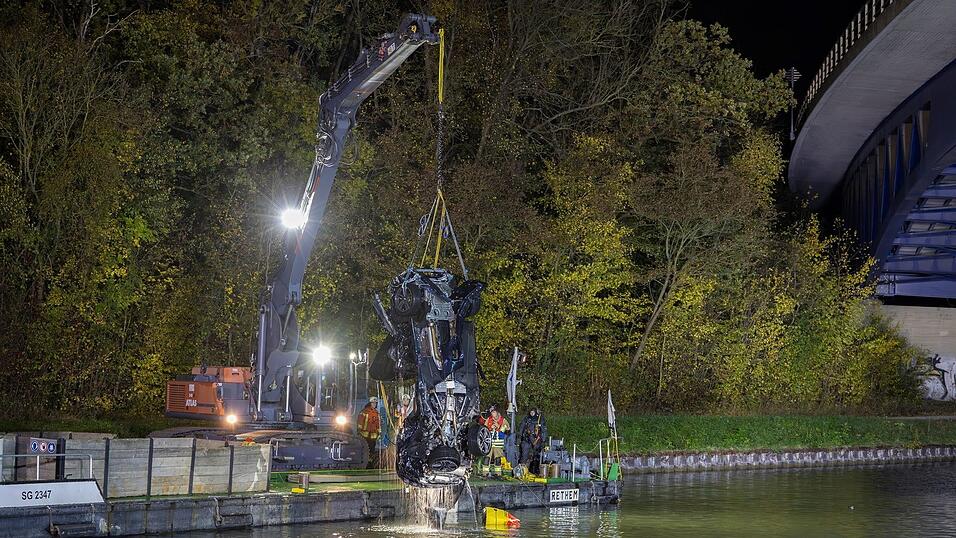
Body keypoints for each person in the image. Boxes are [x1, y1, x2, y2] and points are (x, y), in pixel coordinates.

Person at [518, 407, 548, 475]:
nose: (532, 414)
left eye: (533, 412)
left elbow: (544, 430)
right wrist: (519, 438)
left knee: (536, 457)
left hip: (536, 440)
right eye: (531, 412)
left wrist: (544, 441)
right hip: (526, 440)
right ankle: (520, 472)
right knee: (524, 456)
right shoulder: (526, 419)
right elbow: (521, 428)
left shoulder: (540, 419)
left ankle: (534, 471)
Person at [482, 406, 510, 477]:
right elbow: (484, 430)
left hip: (498, 443)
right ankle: (485, 473)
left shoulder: (503, 420)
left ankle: (498, 474)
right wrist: (489, 428)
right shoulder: (488, 419)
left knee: (497, 459)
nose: (492, 414)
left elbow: (507, 431)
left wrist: (499, 427)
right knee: (487, 458)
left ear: (497, 412)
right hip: (489, 443)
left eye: (494, 412)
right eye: (491, 412)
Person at [357, 397, 381, 468]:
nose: (374, 404)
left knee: (372, 450)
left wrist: (379, 433)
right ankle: (363, 463)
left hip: (373, 435)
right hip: (364, 434)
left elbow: (378, 424)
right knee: (365, 449)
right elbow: (360, 422)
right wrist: (359, 431)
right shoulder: (364, 412)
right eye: (373, 403)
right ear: (370, 403)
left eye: (375, 403)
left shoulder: (377, 413)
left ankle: (370, 464)